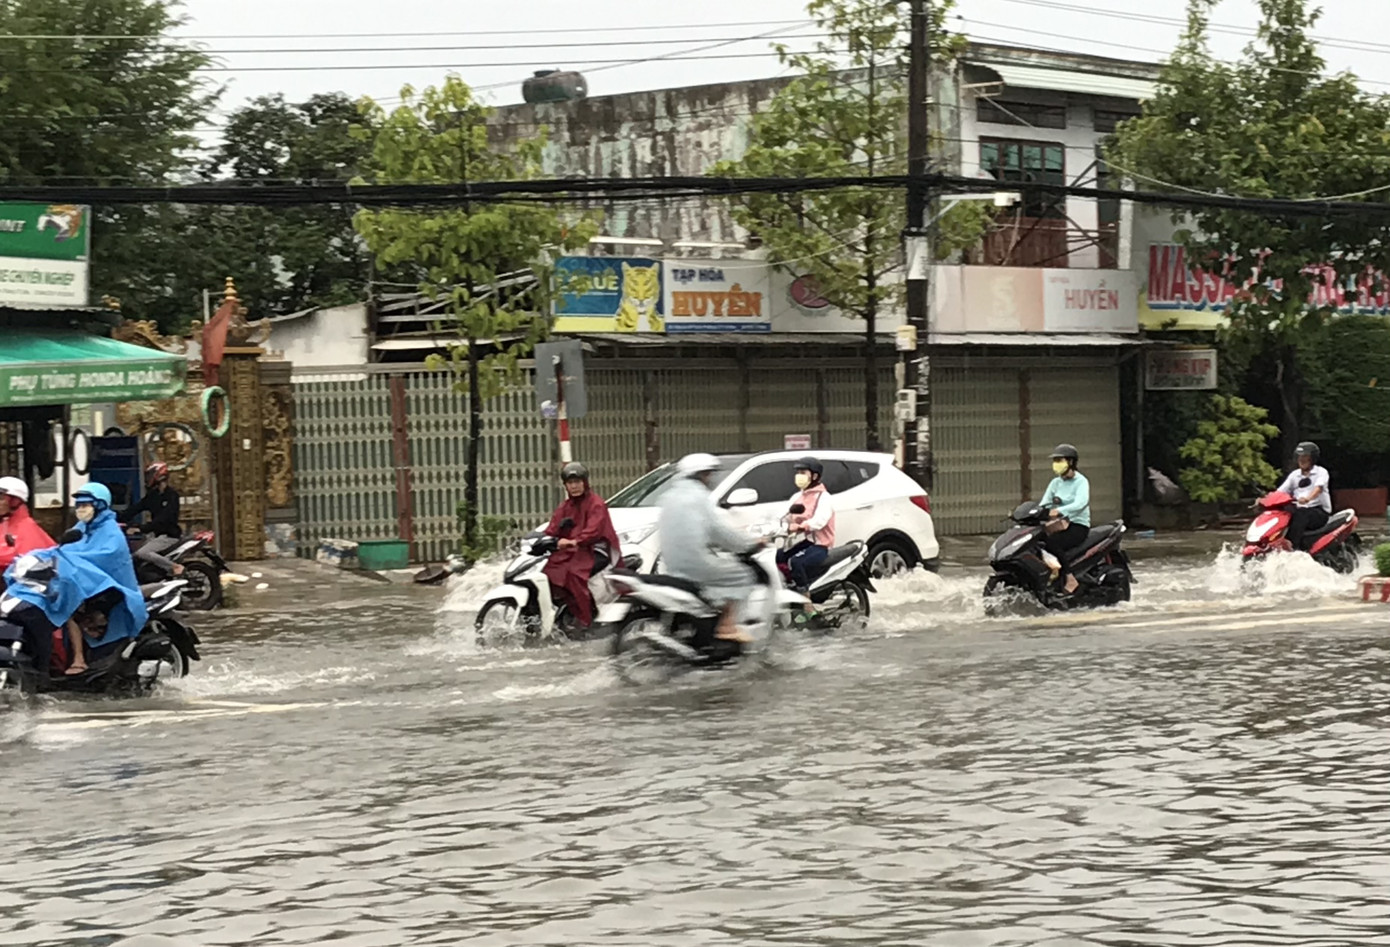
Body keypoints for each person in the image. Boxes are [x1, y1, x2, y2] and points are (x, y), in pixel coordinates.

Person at [659, 453, 762, 645]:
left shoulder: (670, 496)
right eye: (708, 474)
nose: (709, 479)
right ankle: (727, 627)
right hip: (696, 562)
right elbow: (720, 532)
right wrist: (751, 544)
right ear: (701, 475)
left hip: (672, 563)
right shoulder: (699, 497)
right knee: (742, 575)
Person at [55, 483, 147, 674]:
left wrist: (71, 559)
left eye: (86, 504)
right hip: (88, 585)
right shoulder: (82, 528)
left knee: (69, 609)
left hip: (111, 589)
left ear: (100, 505)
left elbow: (101, 557)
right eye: (79, 505)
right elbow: (66, 548)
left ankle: (79, 660)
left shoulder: (111, 532)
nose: (81, 509)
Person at [541, 462, 621, 630]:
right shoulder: (565, 506)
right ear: (566, 486)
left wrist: (573, 541)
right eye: (570, 483)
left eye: (578, 482)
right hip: (574, 550)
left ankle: (585, 619)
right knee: (549, 569)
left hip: (596, 548)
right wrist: (542, 539)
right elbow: (552, 528)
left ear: (585, 482)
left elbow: (593, 530)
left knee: (574, 574)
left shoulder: (596, 503)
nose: (575, 486)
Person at [777, 457, 836, 592]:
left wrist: (802, 526)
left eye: (803, 472)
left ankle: (806, 604)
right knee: (776, 556)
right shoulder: (798, 497)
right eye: (798, 472)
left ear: (814, 476)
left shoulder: (824, 497)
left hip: (821, 545)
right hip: (806, 542)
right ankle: (787, 588)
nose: (799, 476)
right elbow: (784, 515)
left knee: (796, 562)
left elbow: (820, 520)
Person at [1039, 443, 1091, 595]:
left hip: (1077, 525)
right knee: (1037, 541)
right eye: (1055, 461)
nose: (1056, 464)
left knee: (1053, 542)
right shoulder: (1055, 482)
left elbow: (1081, 503)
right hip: (1058, 525)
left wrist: (1059, 510)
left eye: (1060, 460)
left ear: (1071, 462)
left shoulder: (1081, 481)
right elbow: (1044, 503)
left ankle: (1069, 577)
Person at [1276, 441, 1331, 551]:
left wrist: (1308, 499)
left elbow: (1318, 488)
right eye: (1299, 457)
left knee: (1302, 513)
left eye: (1305, 456)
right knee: (1283, 513)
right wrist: (1265, 500)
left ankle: (1291, 546)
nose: (1302, 460)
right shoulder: (1294, 475)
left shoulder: (1321, 472)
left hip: (1318, 512)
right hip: (1299, 510)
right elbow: (1280, 492)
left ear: (1313, 458)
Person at [0, 476, 55, 579]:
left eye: (1, 498)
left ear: (15, 501)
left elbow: (25, 558)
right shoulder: (4, 524)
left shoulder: (27, 526)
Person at [122, 462, 181, 539]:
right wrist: (118, 519)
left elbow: (163, 519)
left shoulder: (172, 495)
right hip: (156, 535)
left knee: (141, 552)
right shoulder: (153, 495)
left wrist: (141, 528)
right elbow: (136, 508)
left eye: (150, 475)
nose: (147, 478)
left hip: (168, 536)